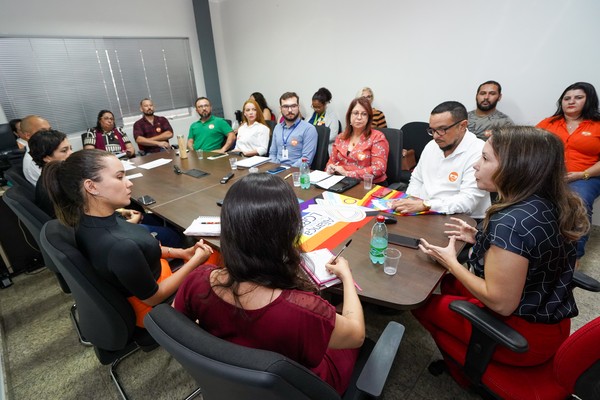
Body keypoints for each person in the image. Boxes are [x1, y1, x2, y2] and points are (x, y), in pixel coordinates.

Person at [414, 126, 589, 384]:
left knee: (420, 301)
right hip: (551, 316)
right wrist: (480, 237)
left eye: (485, 159)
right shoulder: (549, 201)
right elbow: (532, 250)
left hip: (521, 336)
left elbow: (501, 303)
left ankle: (464, 370)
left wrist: (450, 261)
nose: (475, 165)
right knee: (447, 285)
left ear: (516, 167)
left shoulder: (511, 222)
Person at [173, 173, 364, 395]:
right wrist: (347, 278)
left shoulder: (197, 280)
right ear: (288, 235)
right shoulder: (305, 312)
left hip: (231, 384)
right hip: (303, 389)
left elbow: (178, 327)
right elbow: (356, 334)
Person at [43, 149, 214, 327]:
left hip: (153, 274)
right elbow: (153, 297)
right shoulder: (119, 246)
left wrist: (183, 253)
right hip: (156, 306)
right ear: (91, 186)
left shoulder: (93, 218)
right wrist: (195, 261)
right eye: (119, 177)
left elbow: (142, 250)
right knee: (222, 261)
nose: (129, 183)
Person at [390, 101, 490, 219]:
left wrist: (425, 205)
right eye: (432, 130)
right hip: (422, 212)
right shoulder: (431, 145)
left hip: (459, 218)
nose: (436, 136)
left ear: (462, 126)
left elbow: (467, 202)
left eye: (442, 129)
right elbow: (417, 179)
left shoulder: (479, 152)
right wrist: (410, 202)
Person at [537, 82, 600, 260]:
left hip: (586, 176)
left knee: (576, 202)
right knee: (525, 196)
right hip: (548, 174)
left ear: (589, 100)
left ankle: (573, 257)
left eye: (578, 97)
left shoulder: (597, 125)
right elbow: (530, 144)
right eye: (567, 98)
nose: (571, 101)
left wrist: (582, 174)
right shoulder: (548, 122)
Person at [325, 97, 389, 184]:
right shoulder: (341, 137)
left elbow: (379, 168)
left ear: (368, 118)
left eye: (364, 114)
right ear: (349, 116)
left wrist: (347, 173)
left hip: (368, 185)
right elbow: (331, 161)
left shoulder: (377, 137)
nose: (359, 117)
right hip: (341, 183)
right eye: (355, 113)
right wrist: (330, 168)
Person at [28, 129, 73, 215]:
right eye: (64, 150)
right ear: (46, 157)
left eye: (71, 148)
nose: (71, 153)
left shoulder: (50, 176)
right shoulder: (56, 185)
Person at [269, 92, 318, 167]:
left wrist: (287, 170)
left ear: (298, 107)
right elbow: (272, 154)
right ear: (280, 109)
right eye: (285, 106)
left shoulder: (309, 129)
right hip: (277, 170)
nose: (290, 110)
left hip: (296, 172)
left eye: (293, 106)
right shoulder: (277, 128)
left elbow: (306, 159)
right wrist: (276, 168)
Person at [20, 115, 51, 186]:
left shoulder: (45, 149)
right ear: (28, 135)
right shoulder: (32, 162)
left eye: (50, 130)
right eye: (43, 131)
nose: (50, 134)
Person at [308, 87, 340, 153]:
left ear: (325, 104)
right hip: (308, 145)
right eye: (314, 107)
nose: (316, 109)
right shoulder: (310, 115)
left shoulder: (332, 117)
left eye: (319, 107)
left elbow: (333, 136)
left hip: (323, 147)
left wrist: (317, 141)